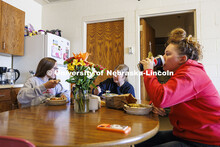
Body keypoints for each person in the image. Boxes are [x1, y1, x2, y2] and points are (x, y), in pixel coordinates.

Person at [136, 28, 220, 147]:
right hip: (186, 133)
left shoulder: (190, 75)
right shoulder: (183, 72)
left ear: (182, 59)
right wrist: (155, 104)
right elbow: (168, 96)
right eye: (164, 53)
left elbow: (161, 97)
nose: (163, 57)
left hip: (205, 139)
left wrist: (149, 71)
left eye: (168, 54)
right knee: (141, 142)